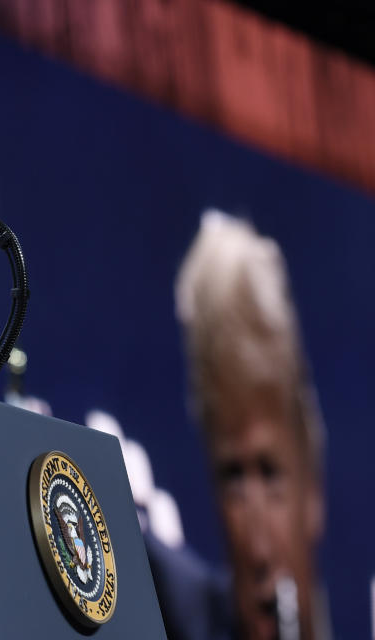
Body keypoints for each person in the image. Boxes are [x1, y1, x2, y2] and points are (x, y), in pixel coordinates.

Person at [175, 211, 329, 640]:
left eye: (271, 473)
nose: (259, 549)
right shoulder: (184, 610)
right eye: (233, 479)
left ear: (312, 489)